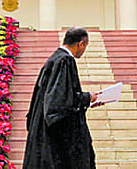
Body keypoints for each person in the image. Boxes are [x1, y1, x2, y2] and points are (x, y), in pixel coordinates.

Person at [23, 26, 102, 169]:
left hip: (42, 129)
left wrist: (86, 101)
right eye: (85, 46)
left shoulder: (55, 59)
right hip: (56, 140)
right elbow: (60, 102)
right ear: (80, 44)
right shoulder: (65, 61)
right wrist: (86, 98)